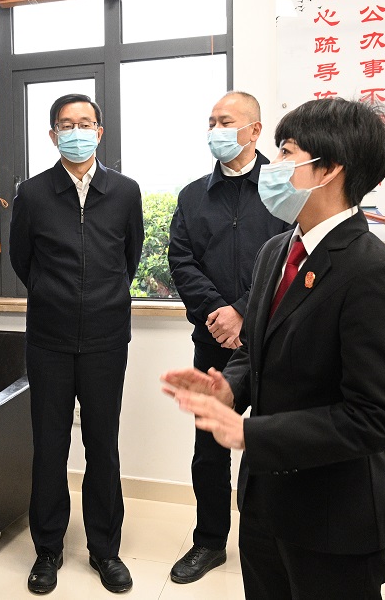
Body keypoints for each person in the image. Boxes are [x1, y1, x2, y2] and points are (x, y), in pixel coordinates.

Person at [162, 98, 385, 599]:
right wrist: (228, 390)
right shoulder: (277, 252)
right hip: (265, 504)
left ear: (330, 169)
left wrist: (249, 433)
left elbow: (377, 417)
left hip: (332, 519)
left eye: (286, 152)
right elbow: (252, 349)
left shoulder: (374, 273)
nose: (273, 165)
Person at [10, 93, 144, 595]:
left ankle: (105, 550)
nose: (76, 131)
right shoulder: (32, 193)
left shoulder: (125, 192)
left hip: (107, 338)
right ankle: (47, 549)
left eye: (85, 123)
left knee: (102, 445)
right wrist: (54, 294)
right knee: (49, 446)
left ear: (99, 132)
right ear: (52, 135)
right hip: (49, 338)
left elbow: (130, 256)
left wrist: (102, 297)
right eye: (66, 124)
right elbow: (22, 259)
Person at [166, 91, 291, 583]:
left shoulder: (285, 187)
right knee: (209, 449)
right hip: (212, 340)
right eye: (211, 121)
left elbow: (293, 254)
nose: (216, 130)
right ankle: (209, 542)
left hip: (276, 340)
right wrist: (219, 314)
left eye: (226, 121)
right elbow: (182, 261)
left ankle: (273, 539)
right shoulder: (192, 195)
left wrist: (242, 311)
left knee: (275, 441)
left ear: (255, 130)